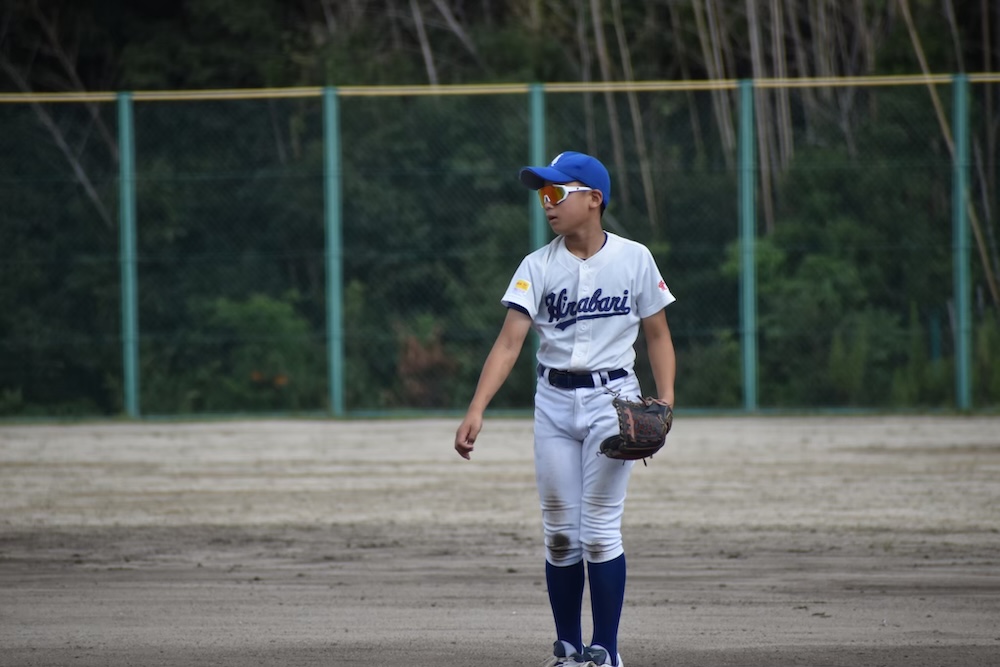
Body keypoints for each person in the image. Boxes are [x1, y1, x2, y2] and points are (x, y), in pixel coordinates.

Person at [453, 151, 677, 667]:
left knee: (598, 531)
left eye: (556, 192)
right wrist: (476, 408)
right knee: (558, 534)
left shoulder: (635, 258)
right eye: (542, 194)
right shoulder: (537, 265)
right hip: (552, 403)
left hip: (612, 402)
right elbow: (509, 343)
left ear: (594, 199)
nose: (547, 203)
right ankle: (569, 650)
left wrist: (666, 401)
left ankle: (607, 651)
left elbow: (658, 335)